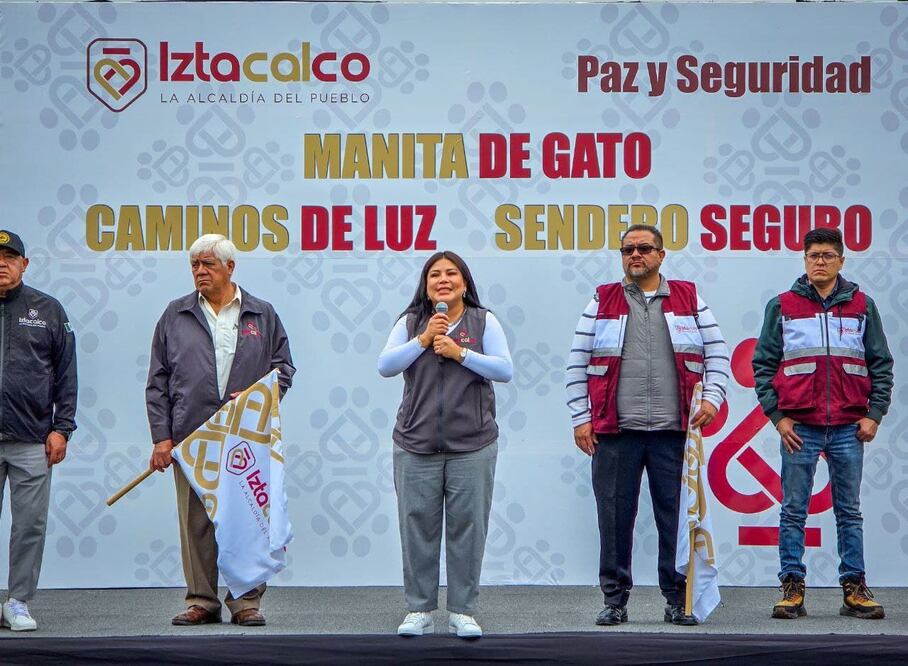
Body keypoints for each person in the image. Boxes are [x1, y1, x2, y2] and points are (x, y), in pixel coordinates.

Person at [565, 224, 730, 627]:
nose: (634, 255)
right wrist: (580, 417)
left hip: (673, 434)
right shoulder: (602, 300)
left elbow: (718, 353)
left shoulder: (689, 299)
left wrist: (712, 398)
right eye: (627, 250)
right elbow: (577, 361)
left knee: (675, 520)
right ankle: (615, 601)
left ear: (661, 254)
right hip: (615, 433)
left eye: (643, 248)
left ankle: (678, 599)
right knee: (613, 519)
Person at [146, 234, 295, 627]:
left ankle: (246, 602)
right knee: (196, 522)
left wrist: (258, 394)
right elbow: (157, 381)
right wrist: (162, 437)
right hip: (191, 438)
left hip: (245, 438)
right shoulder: (175, 315)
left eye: (208, 264)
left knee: (246, 515)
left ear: (231, 268)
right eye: (194, 264)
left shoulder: (262, 314)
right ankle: (202, 600)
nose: (199, 271)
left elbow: (284, 370)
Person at [752, 227, 893, 621]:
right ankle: (792, 588)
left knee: (849, 511)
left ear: (841, 261)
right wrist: (778, 418)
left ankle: (854, 588)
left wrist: (874, 414)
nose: (819, 261)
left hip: (850, 426)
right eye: (813, 254)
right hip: (799, 428)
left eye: (828, 255)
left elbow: (881, 363)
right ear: (804, 259)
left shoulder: (863, 306)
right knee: (793, 510)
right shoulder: (782, 305)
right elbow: (763, 365)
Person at [378, 251, 513, 639]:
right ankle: (419, 610)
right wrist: (422, 340)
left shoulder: (483, 321)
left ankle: (462, 611)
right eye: (434, 274)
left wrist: (462, 353)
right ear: (425, 285)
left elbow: (504, 369)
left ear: (464, 283)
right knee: (416, 526)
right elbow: (386, 366)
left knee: (468, 528)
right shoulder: (412, 323)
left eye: (451, 274)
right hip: (415, 443)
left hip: (472, 443)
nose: (443, 280)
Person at [0, 230, 77, 631]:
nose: (2, 263)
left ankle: (17, 602)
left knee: (29, 525)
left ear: (24, 264)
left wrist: (62, 427)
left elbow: (66, 374)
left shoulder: (47, 309)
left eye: (10, 257)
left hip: (32, 438)